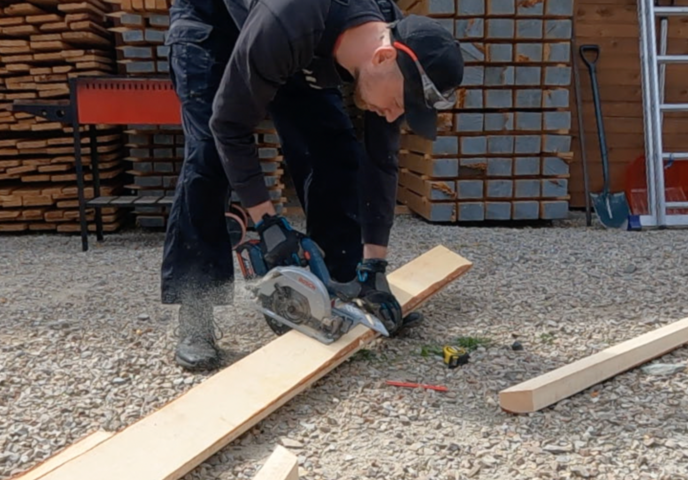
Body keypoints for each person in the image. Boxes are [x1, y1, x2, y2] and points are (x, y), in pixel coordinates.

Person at [160, 0, 465, 370]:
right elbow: (229, 126)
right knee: (209, 156)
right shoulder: (290, 19)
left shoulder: (396, 37)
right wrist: (268, 225)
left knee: (334, 149)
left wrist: (374, 268)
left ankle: (344, 287)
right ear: (383, 58)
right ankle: (196, 308)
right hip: (212, 21)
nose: (394, 115)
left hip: (300, 41)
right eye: (400, 103)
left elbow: (380, 162)